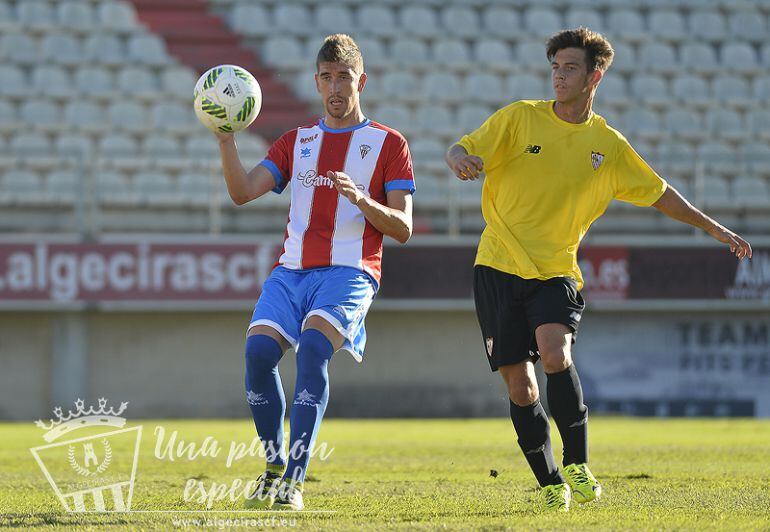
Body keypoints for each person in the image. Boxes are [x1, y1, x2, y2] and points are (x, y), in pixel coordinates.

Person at [445, 27, 752, 512]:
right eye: (555, 67)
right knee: (521, 385)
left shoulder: (607, 145)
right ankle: (549, 483)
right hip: (498, 267)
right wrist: (463, 161)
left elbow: (661, 193)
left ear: (595, 76)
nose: (559, 76)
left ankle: (578, 462)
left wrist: (716, 229)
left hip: (556, 271)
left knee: (554, 351)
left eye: (569, 68)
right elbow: (459, 148)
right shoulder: (520, 119)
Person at [214, 34, 415, 510]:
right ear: (316, 82)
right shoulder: (296, 142)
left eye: (343, 77)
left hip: (350, 272)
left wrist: (362, 200)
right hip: (292, 271)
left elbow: (403, 227)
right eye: (326, 78)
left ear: (360, 80)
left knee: (312, 353)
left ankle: (295, 481)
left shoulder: (388, 144)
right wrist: (226, 140)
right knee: (258, 355)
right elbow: (242, 191)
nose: (335, 88)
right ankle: (272, 466)